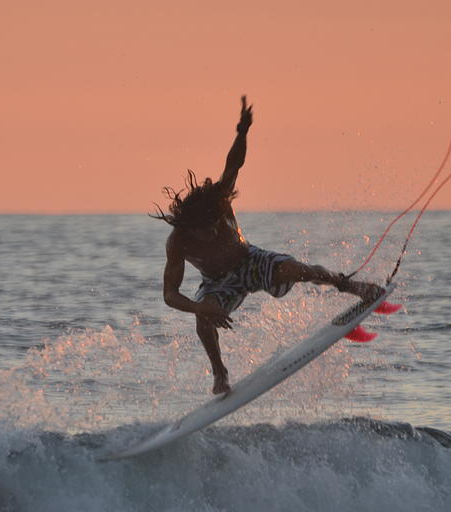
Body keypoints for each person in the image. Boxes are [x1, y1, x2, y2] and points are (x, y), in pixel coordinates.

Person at [152, 96, 383, 394]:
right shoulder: (178, 241)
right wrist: (200, 307)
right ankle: (220, 374)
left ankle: (350, 286)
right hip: (219, 283)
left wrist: (242, 132)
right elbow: (170, 294)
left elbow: (234, 164)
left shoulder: (220, 201)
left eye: (214, 228)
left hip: (250, 260)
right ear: (189, 228)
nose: (211, 234)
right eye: (203, 232)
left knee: (300, 270)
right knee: (202, 316)